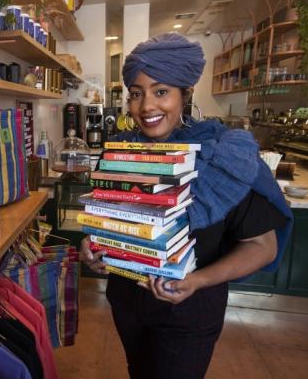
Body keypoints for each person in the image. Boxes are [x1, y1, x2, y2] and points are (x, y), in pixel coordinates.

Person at [80, 32, 292, 379]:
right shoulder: (121, 152)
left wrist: (197, 281)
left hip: (190, 312)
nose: (146, 106)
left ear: (185, 95)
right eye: (136, 94)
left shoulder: (222, 157)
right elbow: (110, 221)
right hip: (127, 303)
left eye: (161, 91)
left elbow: (262, 246)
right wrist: (95, 248)